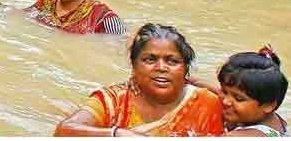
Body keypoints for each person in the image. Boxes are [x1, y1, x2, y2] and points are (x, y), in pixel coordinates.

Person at [54, 23, 224, 136]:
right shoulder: (113, 100)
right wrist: (119, 134)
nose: (161, 68)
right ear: (134, 66)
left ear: (185, 68)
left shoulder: (208, 103)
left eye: (172, 61)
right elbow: (63, 131)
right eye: (150, 60)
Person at [195, 48, 290, 136]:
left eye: (238, 99)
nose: (226, 101)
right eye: (224, 92)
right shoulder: (264, 115)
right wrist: (191, 81)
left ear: (268, 105)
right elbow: (218, 90)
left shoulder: (243, 136)